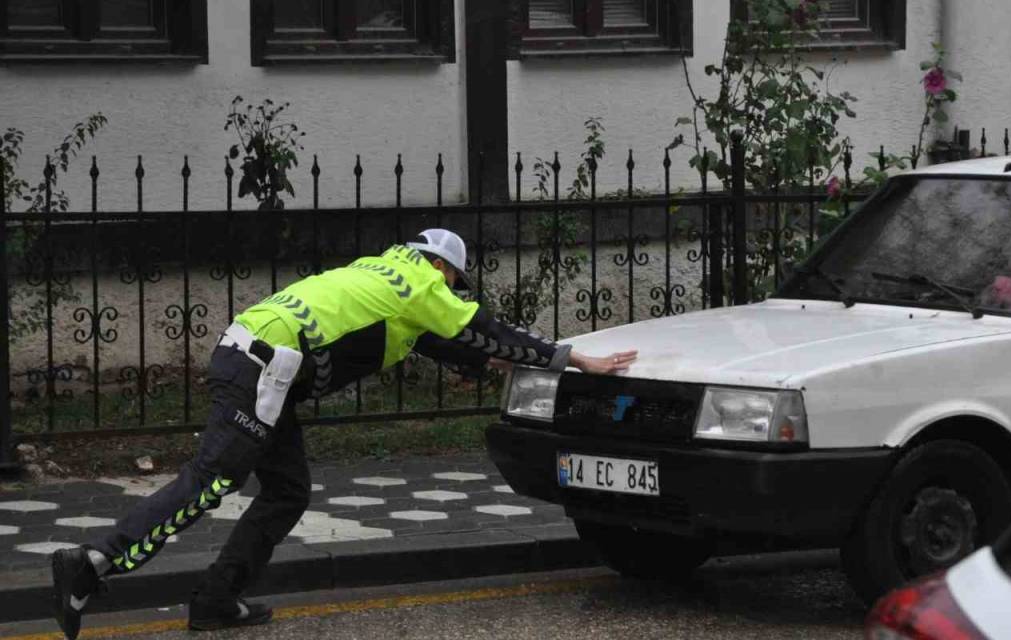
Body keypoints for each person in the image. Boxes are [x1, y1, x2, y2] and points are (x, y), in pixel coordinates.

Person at [49, 228, 638, 639]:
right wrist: (569, 359)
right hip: (264, 367)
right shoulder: (422, 282)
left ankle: (215, 600)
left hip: (260, 363)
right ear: (442, 267)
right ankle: (95, 561)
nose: (454, 290)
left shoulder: (380, 276)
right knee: (211, 481)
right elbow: (482, 326)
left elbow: (455, 344)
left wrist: (501, 362)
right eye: (455, 280)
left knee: (287, 491)